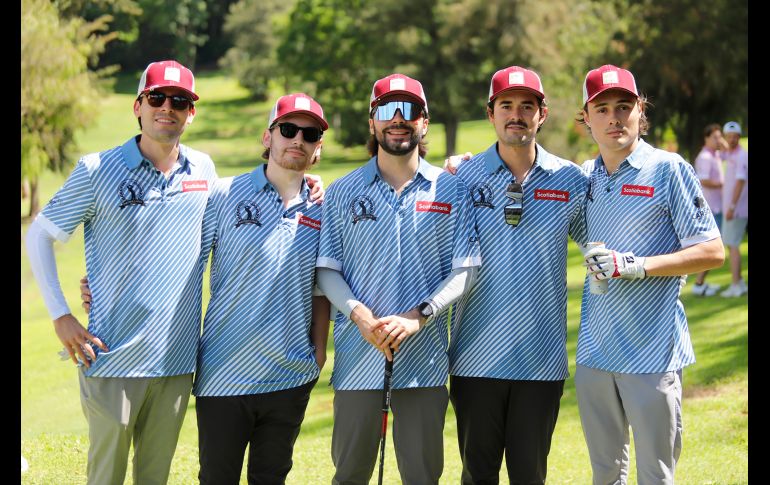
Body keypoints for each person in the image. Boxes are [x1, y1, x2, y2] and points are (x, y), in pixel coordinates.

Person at [25, 60, 217, 485]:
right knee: (105, 478)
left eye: (180, 100)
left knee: (155, 477)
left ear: (191, 112)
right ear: (138, 106)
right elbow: (38, 235)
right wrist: (61, 315)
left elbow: (249, 206)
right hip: (111, 359)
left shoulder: (203, 171)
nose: (168, 107)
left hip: (176, 362)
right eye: (157, 98)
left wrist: (307, 179)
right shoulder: (97, 170)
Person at [315, 73, 481, 485]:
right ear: (372, 121)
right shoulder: (342, 191)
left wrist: (419, 316)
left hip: (423, 365)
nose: (398, 119)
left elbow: (467, 269)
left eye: (410, 111)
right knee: (350, 473)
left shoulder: (452, 191)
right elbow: (327, 270)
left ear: (424, 122)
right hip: (357, 362)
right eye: (387, 110)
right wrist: (360, 317)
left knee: (422, 476)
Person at [576, 64, 724, 484]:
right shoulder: (584, 177)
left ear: (641, 110)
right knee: (605, 473)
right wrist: (466, 164)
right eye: (601, 108)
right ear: (586, 117)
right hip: (594, 354)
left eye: (624, 106)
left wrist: (638, 266)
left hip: (651, 355)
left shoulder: (668, 169)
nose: (614, 118)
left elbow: (712, 250)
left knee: (655, 475)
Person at [447, 66, 589, 484]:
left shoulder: (570, 180)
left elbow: (601, 240)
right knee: (477, 476)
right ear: (490, 114)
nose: (517, 115)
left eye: (527, 106)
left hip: (540, 362)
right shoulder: (461, 178)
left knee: (530, 476)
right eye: (506, 105)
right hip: (475, 359)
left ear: (542, 115)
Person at [192, 93, 331, 484]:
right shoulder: (223, 194)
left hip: (289, 376)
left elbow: (322, 287)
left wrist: (318, 352)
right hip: (223, 373)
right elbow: (186, 265)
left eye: (310, 133)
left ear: (318, 147)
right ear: (267, 137)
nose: (298, 140)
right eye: (288, 129)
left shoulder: (324, 208)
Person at [691, 123, 727, 296]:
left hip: (718, 206)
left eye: (720, 137)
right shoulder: (705, 157)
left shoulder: (716, 154)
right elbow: (703, 180)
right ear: (706, 138)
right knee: (713, 249)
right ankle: (698, 284)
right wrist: (723, 184)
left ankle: (701, 283)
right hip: (710, 208)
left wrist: (724, 144)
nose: (718, 140)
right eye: (715, 137)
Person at [719, 121, 748, 297]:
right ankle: (741, 283)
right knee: (731, 245)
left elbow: (740, 182)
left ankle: (736, 285)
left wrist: (731, 206)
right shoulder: (730, 154)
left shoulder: (741, 156)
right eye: (728, 137)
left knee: (733, 245)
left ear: (738, 137)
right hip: (732, 209)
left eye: (734, 136)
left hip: (736, 209)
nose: (731, 139)